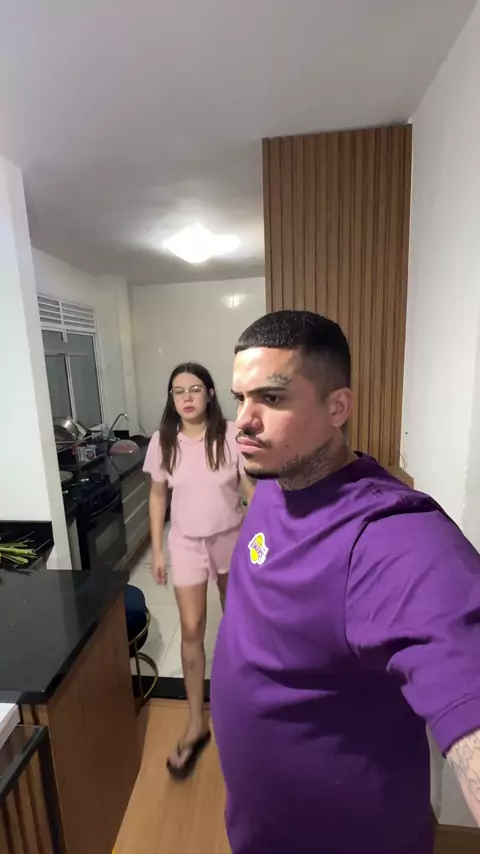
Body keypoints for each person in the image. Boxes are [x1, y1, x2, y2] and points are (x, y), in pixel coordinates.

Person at [210, 310, 480, 854]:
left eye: (272, 398)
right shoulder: (276, 480)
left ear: (337, 407)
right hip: (259, 832)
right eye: (240, 398)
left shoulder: (393, 536)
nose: (243, 421)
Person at [144, 362, 254, 780]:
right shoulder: (163, 442)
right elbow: (158, 496)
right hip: (186, 543)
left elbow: (251, 491)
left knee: (238, 625)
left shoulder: (232, 434)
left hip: (231, 539)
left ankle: (241, 709)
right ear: (172, 399)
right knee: (192, 629)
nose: (187, 397)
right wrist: (157, 550)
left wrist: (263, 541)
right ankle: (196, 722)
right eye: (178, 391)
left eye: (194, 389)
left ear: (209, 393)